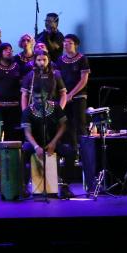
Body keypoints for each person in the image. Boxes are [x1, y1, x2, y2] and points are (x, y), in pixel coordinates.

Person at [21, 88, 74, 198]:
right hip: (34, 143)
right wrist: (36, 146)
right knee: (21, 153)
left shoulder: (55, 107)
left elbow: (63, 126)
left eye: (42, 98)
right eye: (36, 98)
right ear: (32, 98)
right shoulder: (27, 111)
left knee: (70, 152)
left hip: (52, 142)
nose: (39, 100)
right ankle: (23, 186)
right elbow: (27, 132)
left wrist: (53, 142)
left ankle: (65, 187)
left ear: (47, 96)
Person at [53, 33, 90, 162]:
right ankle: (73, 154)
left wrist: (71, 94)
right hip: (65, 97)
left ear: (76, 44)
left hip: (78, 96)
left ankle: (86, 154)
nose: (66, 45)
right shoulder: (60, 60)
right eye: (64, 42)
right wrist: (64, 95)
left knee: (80, 124)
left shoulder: (82, 59)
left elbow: (83, 80)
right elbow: (58, 79)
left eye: (69, 42)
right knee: (68, 126)